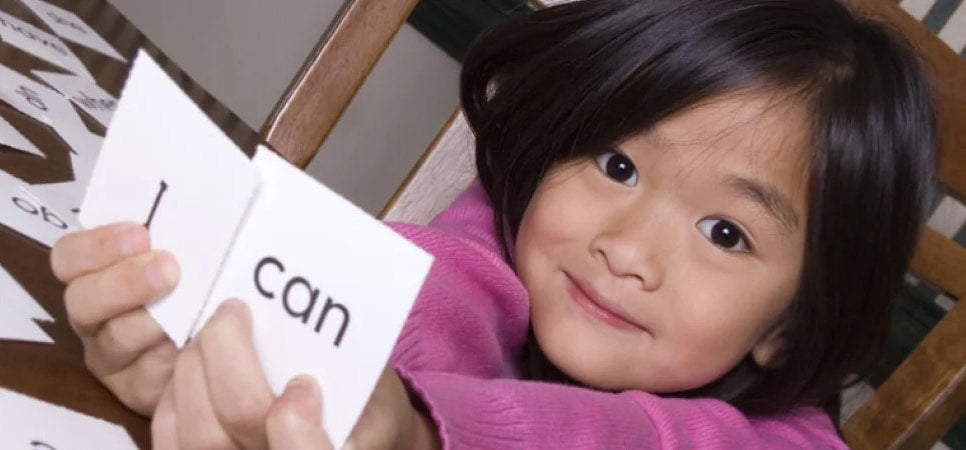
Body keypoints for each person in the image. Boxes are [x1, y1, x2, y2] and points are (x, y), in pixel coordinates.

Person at [49, 0, 936, 448]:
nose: (626, 249)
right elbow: (435, 285)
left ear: (789, 325)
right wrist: (258, 346)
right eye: (618, 165)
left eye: (726, 233)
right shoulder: (527, 234)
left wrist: (427, 431)